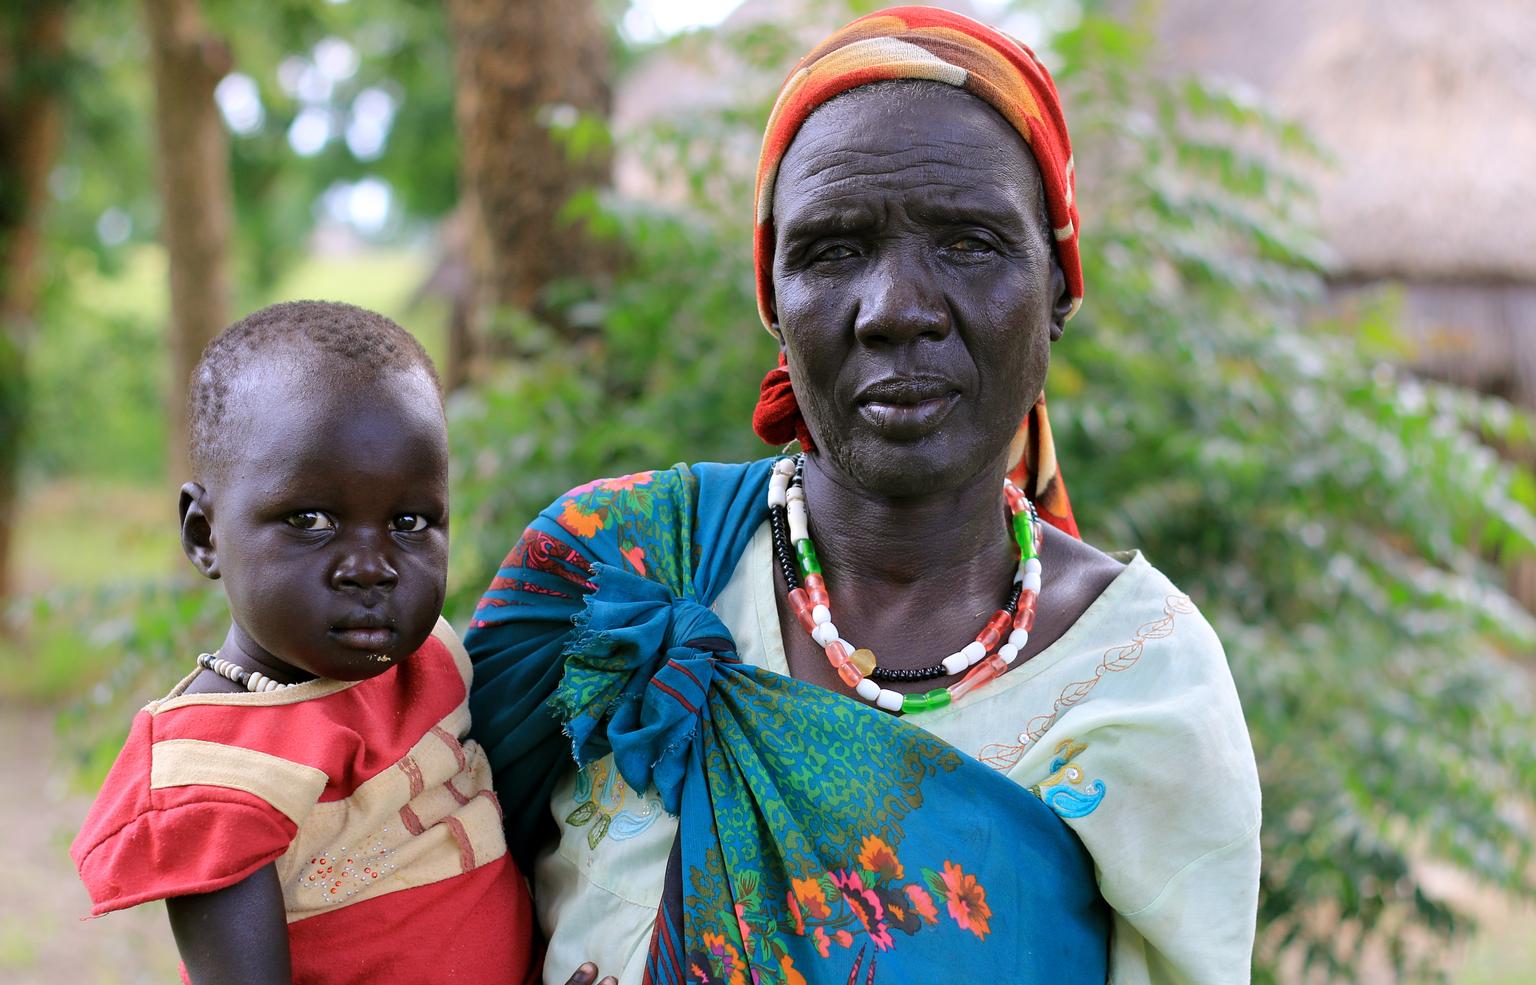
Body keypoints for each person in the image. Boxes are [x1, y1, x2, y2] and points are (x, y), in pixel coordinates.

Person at [466, 7, 1261, 985]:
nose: (896, 309)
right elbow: (394, 868)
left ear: (1057, 287)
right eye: (834, 249)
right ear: (774, 299)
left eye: (969, 243)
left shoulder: (1147, 680)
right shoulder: (612, 567)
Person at [70, 302, 617, 985]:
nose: (371, 565)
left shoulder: (431, 663)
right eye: (310, 518)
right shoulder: (218, 775)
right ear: (205, 534)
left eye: (410, 521)